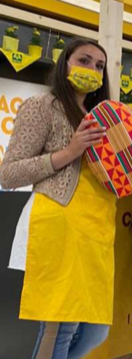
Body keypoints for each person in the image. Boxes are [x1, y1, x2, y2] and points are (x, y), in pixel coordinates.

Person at [0, 39, 114, 359]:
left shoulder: (101, 117)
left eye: (99, 66)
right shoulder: (42, 106)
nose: (92, 69)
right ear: (65, 64)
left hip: (96, 229)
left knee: (95, 330)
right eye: (84, 60)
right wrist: (70, 152)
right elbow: (8, 174)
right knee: (59, 328)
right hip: (58, 223)